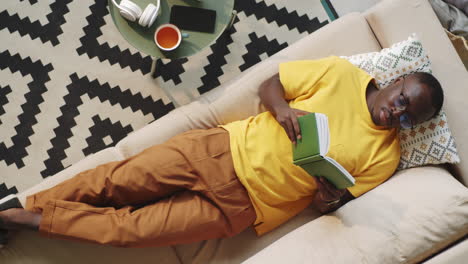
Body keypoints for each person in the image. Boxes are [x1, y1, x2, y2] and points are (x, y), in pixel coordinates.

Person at [0, 56, 443, 248]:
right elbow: (272, 83)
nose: (396, 114)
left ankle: (22, 218)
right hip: (219, 150)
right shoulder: (343, 74)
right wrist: (282, 109)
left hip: (241, 207)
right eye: (403, 100)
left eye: (409, 118)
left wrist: (327, 198)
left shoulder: (384, 158)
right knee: (115, 181)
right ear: (397, 80)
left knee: (130, 231)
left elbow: (329, 204)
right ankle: (22, 210)